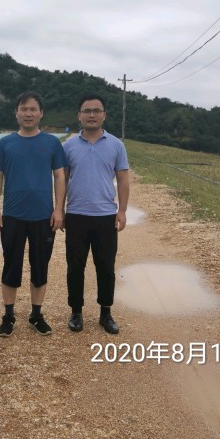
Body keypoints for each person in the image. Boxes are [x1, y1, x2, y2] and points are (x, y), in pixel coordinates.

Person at [0, 91, 66, 337]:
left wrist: (58, 209)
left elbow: (59, 176)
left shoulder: (52, 143)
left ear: (41, 113)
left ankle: (36, 314)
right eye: (24, 109)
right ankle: (8, 315)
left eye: (33, 109)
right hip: (12, 215)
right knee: (11, 265)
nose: (28, 113)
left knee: (40, 266)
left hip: (43, 216)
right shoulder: (6, 143)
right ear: (16, 113)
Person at [63, 95, 130, 334]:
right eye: (86, 111)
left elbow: (123, 179)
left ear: (104, 115)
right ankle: (76, 311)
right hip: (76, 214)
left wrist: (122, 210)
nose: (91, 115)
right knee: (75, 266)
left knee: (106, 266)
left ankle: (106, 312)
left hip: (106, 215)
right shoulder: (68, 146)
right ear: (79, 115)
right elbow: (62, 180)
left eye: (96, 110)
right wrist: (59, 210)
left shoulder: (116, 145)